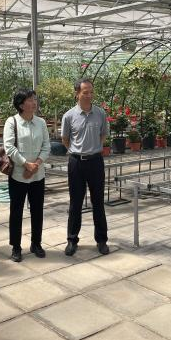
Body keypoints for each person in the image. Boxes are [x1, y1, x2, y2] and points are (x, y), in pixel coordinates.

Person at [61, 79, 109, 256]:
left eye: (91, 92)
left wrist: (92, 149)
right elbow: (65, 140)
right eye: (85, 92)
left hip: (96, 161)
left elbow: (103, 135)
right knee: (75, 203)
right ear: (77, 94)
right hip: (76, 163)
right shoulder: (68, 116)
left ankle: (102, 240)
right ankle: (72, 240)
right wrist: (78, 151)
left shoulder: (100, 113)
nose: (89, 95)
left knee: (98, 202)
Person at [3, 89, 50, 262]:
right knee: (16, 211)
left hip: (38, 174)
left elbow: (46, 146)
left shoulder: (41, 123)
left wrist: (35, 164)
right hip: (18, 175)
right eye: (30, 100)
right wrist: (25, 164)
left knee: (37, 210)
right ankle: (16, 247)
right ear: (21, 104)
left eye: (35, 99)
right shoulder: (12, 122)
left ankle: (36, 243)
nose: (34, 102)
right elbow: (9, 147)